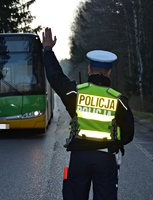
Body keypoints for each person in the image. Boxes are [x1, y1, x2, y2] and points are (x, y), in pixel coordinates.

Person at [42, 27, 134, 200]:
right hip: (106, 160)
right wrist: (114, 143)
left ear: (89, 69)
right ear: (109, 72)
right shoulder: (120, 100)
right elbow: (128, 135)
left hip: (79, 159)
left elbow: (55, 77)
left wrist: (48, 50)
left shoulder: (74, 93)